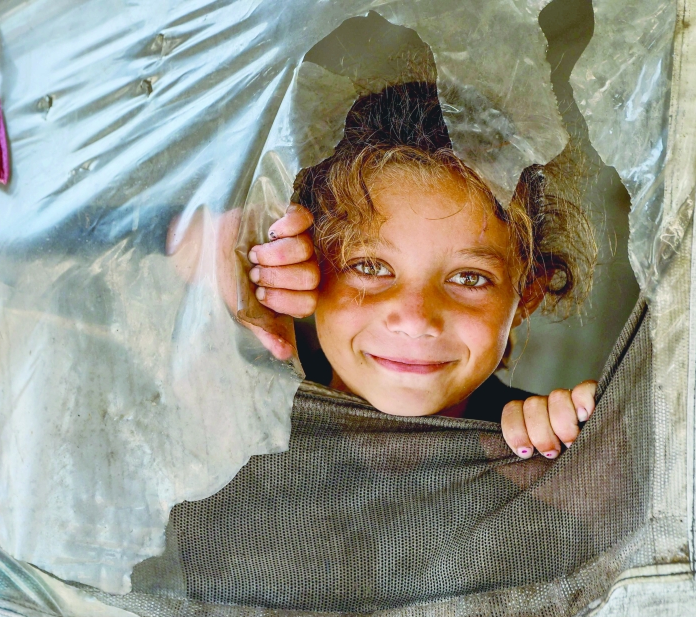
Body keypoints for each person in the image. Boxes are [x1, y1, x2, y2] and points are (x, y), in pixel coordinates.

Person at [171, 82, 598, 459]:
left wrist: (569, 468)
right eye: (370, 266)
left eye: (469, 277)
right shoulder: (239, 414)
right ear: (307, 267)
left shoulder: (536, 451)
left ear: (526, 296)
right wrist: (182, 241)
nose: (414, 320)